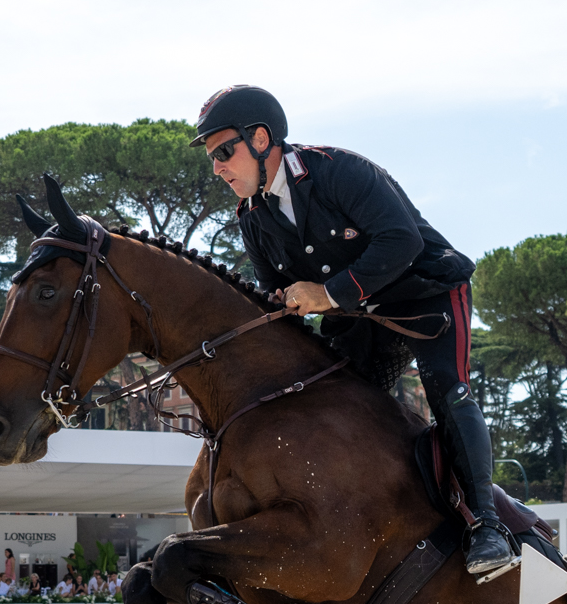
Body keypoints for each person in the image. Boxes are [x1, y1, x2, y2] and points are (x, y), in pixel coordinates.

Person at [191, 85, 513, 577]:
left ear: (260, 139)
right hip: (360, 316)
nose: (216, 167)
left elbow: (400, 240)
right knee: (336, 406)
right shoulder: (252, 219)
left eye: (223, 152)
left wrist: (327, 295)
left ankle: (488, 526)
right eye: (212, 158)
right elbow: (277, 293)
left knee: (449, 393)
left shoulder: (339, 169)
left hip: (427, 294)